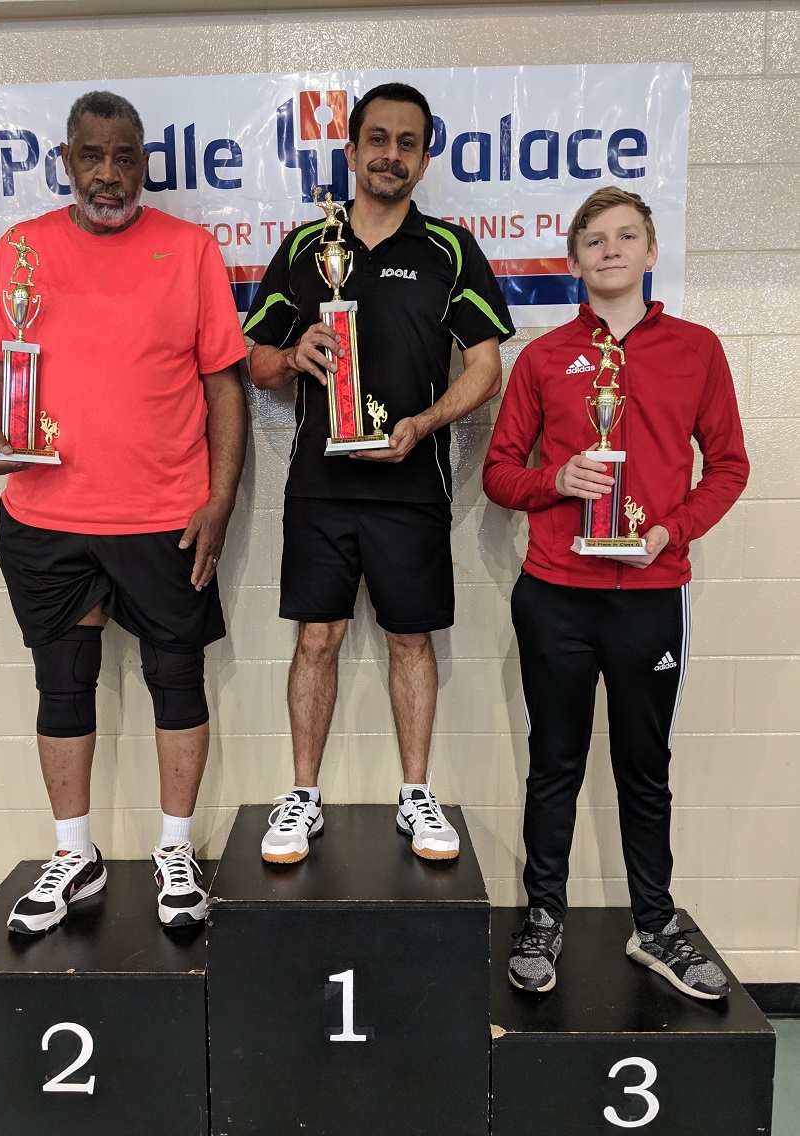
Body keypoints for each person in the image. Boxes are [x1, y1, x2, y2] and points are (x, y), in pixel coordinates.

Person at [0, 91, 247, 932]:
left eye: (125, 157)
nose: (109, 174)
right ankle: (73, 856)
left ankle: (175, 852)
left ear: (144, 165)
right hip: (47, 519)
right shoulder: (21, 251)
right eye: (93, 156)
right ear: (67, 161)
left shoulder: (189, 250)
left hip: (165, 517)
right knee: (63, 686)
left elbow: (223, 385)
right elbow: (0, 373)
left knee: (176, 681)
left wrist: (221, 500)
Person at [483, 186, 749, 1000]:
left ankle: (655, 926)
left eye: (626, 237)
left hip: (651, 594)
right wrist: (555, 480)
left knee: (645, 768)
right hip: (556, 593)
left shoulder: (698, 350)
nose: (610, 251)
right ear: (574, 260)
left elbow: (729, 466)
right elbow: (499, 473)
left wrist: (673, 529)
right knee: (553, 765)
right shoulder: (543, 358)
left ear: (651, 250)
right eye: (594, 240)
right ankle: (543, 918)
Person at [244, 82, 514, 864]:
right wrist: (293, 355)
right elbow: (255, 361)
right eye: (378, 139)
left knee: (410, 640)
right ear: (352, 149)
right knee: (316, 638)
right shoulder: (306, 247)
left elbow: (486, 369)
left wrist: (424, 425)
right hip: (320, 486)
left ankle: (415, 794)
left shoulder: (451, 250)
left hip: (412, 484)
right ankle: (302, 796)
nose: (391, 155)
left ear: (424, 160)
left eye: (407, 143)